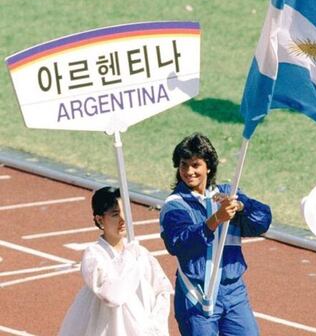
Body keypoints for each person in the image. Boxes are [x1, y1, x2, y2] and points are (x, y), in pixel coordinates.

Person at [159, 133, 272, 336]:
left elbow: (262, 221)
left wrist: (241, 207)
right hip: (196, 293)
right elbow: (179, 243)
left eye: (195, 165)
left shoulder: (228, 193)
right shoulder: (175, 205)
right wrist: (215, 219)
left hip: (233, 291)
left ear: (208, 166)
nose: (188, 171)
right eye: (184, 165)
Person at [58, 186, 173, 336]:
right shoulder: (94, 256)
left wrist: (155, 324)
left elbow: (162, 290)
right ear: (100, 220)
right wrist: (129, 257)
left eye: (126, 212)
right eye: (115, 214)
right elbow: (113, 295)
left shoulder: (141, 254)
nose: (123, 219)